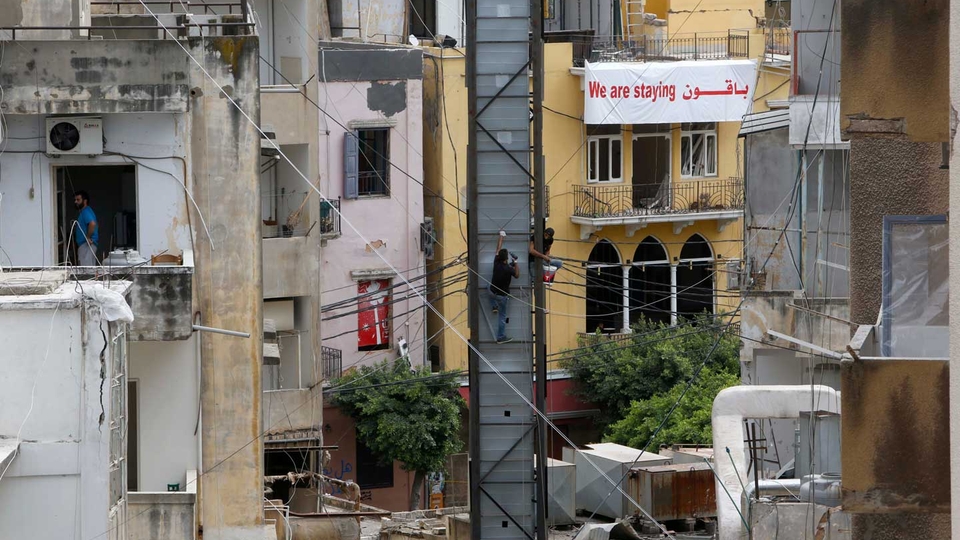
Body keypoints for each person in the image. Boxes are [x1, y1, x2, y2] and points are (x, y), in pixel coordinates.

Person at [489, 230, 519, 344]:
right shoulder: (508, 269)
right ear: (506, 259)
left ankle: (493, 305)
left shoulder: (496, 262)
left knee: (488, 285)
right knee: (502, 316)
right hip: (502, 296)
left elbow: (498, 249)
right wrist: (515, 262)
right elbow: (516, 275)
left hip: (492, 292)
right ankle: (501, 337)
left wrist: (501, 236)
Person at [74, 190, 99, 266]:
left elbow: (92, 224)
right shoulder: (87, 211)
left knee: (86, 269)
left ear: (85, 201)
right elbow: (96, 224)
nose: (75, 202)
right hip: (87, 244)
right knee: (89, 268)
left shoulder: (85, 212)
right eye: (75, 200)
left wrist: (88, 237)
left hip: (86, 245)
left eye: (78, 200)